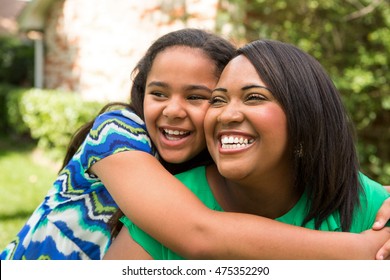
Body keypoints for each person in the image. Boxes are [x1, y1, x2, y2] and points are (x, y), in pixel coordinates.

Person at [2, 29, 389, 260]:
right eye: (158, 93)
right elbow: (198, 230)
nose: (173, 110)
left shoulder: (215, 158)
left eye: (200, 96)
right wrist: (361, 250)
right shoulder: (118, 133)